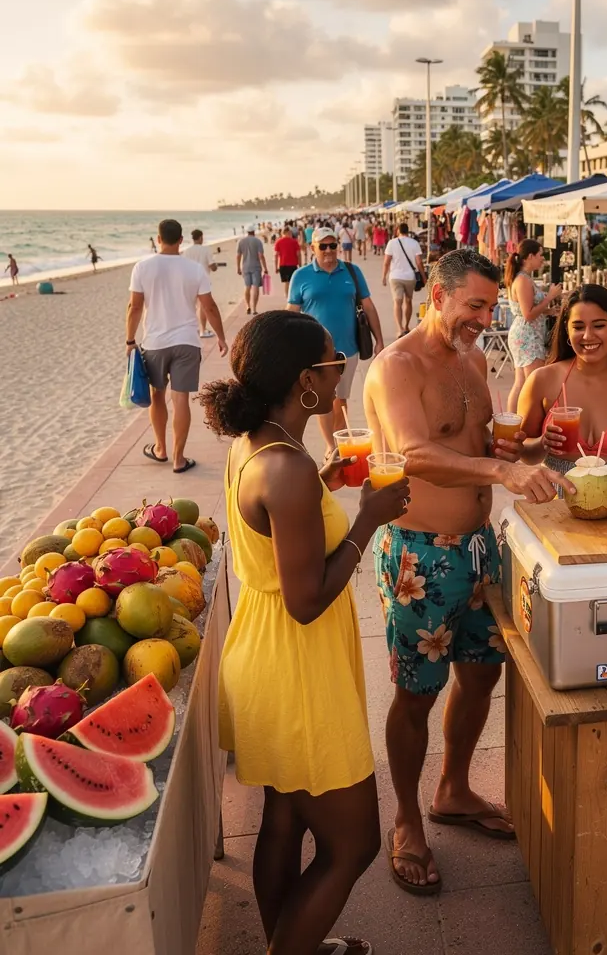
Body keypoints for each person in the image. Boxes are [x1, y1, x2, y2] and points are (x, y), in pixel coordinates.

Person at [199, 310, 410, 955]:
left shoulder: (260, 447)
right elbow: (307, 601)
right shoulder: (285, 467)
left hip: (265, 652)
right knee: (355, 844)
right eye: (333, 360)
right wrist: (367, 520)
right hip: (296, 668)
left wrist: (325, 483)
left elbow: (277, 532)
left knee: (285, 818)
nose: (342, 368)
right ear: (305, 381)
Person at [363, 248, 571, 895]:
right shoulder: (397, 366)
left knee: (482, 674)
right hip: (419, 556)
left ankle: (452, 790)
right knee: (416, 693)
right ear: (437, 295)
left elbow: (479, 447)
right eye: (474, 306)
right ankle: (406, 819)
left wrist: (528, 449)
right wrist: (502, 470)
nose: (484, 319)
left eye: (491, 307)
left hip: (480, 548)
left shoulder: (474, 359)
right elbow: (415, 453)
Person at [518, 283, 607, 522]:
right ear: (566, 330)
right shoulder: (542, 380)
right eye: (578, 326)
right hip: (555, 502)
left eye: (599, 325)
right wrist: (543, 443)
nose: (588, 336)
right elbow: (526, 454)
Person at [126, 218, 228, 473]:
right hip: (187, 341)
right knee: (180, 399)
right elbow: (209, 306)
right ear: (181, 240)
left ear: (158, 239)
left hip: (155, 342)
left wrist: (130, 340)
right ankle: (179, 459)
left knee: (157, 395)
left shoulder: (142, 267)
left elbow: (134, 307)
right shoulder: (195, 269)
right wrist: (221, 337)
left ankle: (160, 449)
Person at [288, 227, 384, 458]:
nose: (329, 250)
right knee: (323, 400)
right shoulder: (300, 276)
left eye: (333, 245)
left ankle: (339, 441)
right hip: (317, 352)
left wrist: (379, 340)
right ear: (312, 247)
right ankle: (331, 446)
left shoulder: (352, 271)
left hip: (347, 350)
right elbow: (291, 312)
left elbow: (368, 306)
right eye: (323, 246)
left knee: (340, 399)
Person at [505, 239, 561, 411]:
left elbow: (528, 310)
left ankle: (514, 419)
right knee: (533, 382)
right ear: (530, 256)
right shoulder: (523, 280)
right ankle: (524, 418)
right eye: (540, 255)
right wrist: (550, 297)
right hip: (527, 336)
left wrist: (548, 311)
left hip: (528, 334)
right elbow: (528, 314)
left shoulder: (525, 278)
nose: (542, 259)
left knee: (522, 381)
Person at [382, 223, 424, 337]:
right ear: (407, 231)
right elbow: (419, 262)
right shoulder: (414, 243)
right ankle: (406, 326)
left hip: (395, 277)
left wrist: (384, 276)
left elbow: (386, 262)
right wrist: (424, 277)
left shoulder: (391, 243)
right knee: (408, 301)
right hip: (410, 277)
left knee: (397, 302)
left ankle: (399, 329)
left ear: (398, 231)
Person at [183, 229, 216, 338]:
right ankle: (203, 330)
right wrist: (215, 266)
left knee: (191, 306)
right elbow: (212, 266)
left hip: (189, 280)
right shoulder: (206, 249)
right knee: (203, 306)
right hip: (203, 281)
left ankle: (193, 329)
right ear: (201, 237)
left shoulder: (186, 251)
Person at [237, 224, 268, 315]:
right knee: (255, 287)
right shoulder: (258, 241)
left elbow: (238, 256)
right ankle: (254, 308)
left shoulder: (241, 241)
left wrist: (238, 267)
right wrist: (265, 268)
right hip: (256, 267)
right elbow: (261, 256)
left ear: (247, 232)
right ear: (254, 231)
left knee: (247, 287)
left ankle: (247, 306)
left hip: (245, 267)